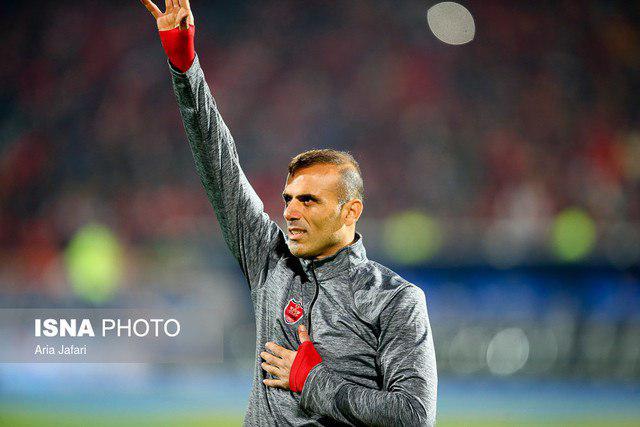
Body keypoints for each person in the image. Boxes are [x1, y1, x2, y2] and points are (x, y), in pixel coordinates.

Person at [140, 0, 437, 425]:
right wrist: (185, 68)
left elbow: (414, 415)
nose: (291, 212)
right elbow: (220, 167)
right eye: (288, 199)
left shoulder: (395, 300)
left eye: (309, 200)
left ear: (350, 211)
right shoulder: (269, 262)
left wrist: (312, 381)